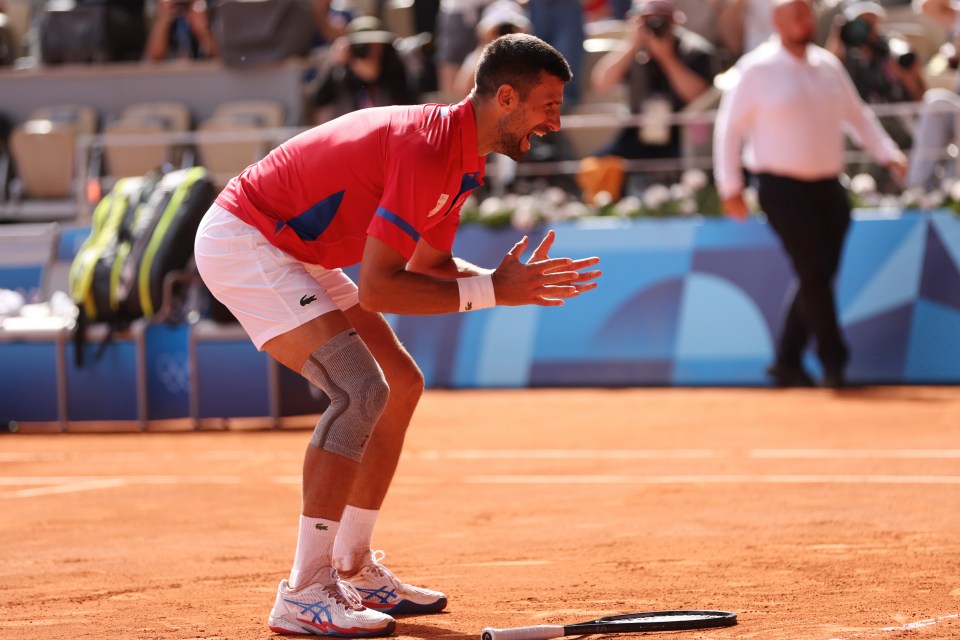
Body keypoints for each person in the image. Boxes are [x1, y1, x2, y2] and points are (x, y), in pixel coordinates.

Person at [194, 33, 600, 636]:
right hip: (247, 238)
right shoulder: (428, 149)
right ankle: (304, 593)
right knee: (359, 390)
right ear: (507, 97)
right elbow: (382, 287)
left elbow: (429, 268)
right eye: (549, 104)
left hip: (296, 251)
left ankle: (352, 568)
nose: (555, 121)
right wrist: (494, 291)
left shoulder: (462, 161)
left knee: (400, 385)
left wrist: (496, 281)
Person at [713, 0, 907, 389]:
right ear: (778, 22)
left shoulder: (828, 65)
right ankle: (834, 360)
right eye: (797, 14)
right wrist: (731, 187)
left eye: (807, 13)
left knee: (817, 274)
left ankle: (787, 359)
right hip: (780, 187)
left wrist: (888, 153)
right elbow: (728, 128)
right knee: (815, 272)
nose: (806, 21)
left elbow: (857, 115)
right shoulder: (755, 68)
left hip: (828, 186)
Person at [590, 0, 719, 171]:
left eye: (661, 20)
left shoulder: (695, 50)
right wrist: (631, 46)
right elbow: (601, 85)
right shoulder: (634, 50)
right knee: (595, 167)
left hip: (680, 135)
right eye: (648, 20)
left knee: (693, 173)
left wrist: (667, 58)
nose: (655, 26)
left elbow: (699, 97)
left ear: (674, 21)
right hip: (637, 134)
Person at [313, 16, 419, 123]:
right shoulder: (342, 74)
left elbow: (410, 101)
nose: (371, 50)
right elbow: (318, 100)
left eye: (376, 44)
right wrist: (333, 64)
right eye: (364, 45)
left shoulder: (395, 71)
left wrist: (376, 76)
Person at [144, 0, 217, 61]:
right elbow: (153, 58)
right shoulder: (160, 11)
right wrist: (164, 20)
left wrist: (203, 31)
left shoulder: (208, 8)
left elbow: (220, 57)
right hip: (170, 74)